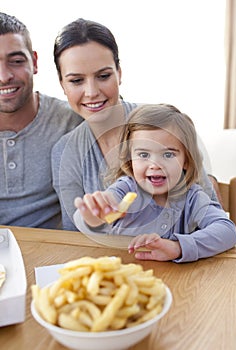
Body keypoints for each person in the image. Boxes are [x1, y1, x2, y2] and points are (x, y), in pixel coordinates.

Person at [51, 18, 221, 231]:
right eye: (76, 81)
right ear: (62, 84)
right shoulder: (65, 152)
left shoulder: (163, 125)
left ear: (119, 73)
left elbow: (211, 213)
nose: (92, 92)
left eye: (103, 76)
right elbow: (75, 236)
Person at [73, 103, 236, 262]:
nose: (155, 165)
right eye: (144, 155)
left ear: (186, 161)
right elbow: (94, 213)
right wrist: (94, 216)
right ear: (131, 161)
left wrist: (178, 247)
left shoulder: (193, 198)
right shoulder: (125, 188)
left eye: (168, 155)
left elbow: (227, 231)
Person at [0, 12, 83, 228]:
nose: (4, 76)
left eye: (16, 61)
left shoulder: (73, 121)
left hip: (54, 256)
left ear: (34, 62)